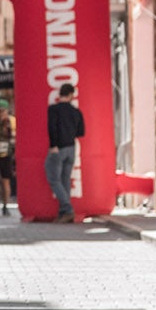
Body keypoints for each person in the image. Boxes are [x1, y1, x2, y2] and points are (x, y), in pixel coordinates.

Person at [45, 82, 86, 223]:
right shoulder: (76, 111)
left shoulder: (53, 110)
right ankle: (64, 213)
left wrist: (53, 145)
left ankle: (67, 209)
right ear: (71, 95)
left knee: (53, 179)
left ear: (60, 94)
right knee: (65, 179)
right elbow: (81, 132)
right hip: (71, 148)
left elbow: (52, 128)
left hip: (58, 148)